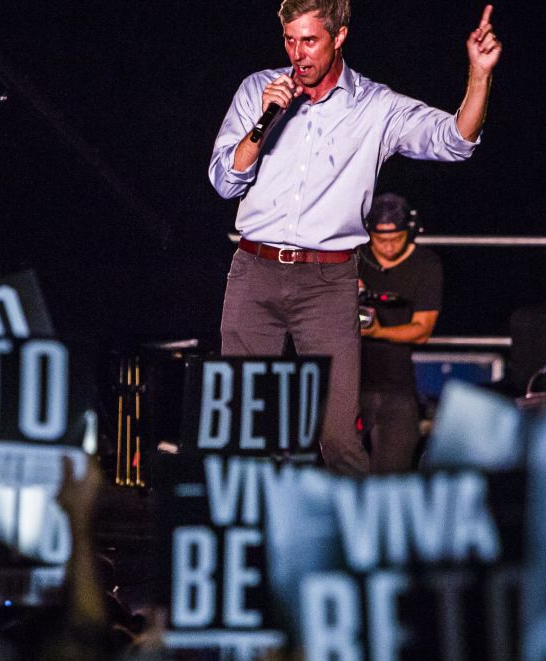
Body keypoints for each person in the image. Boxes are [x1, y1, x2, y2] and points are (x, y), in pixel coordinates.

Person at [208, 0, 502, 476]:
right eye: (289, 40)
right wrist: (264, 123)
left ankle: (352, 545)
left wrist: (479, 74)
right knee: (243, 426)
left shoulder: (375, 106)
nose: (297, 54)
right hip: (254, 272)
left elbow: (455, 141)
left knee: (338, 435)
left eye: (310, 40)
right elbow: (224, 182)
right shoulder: (257, 89)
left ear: (339, 36)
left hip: (327, 282)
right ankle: (245, 543)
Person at [357, 193, 441, 474]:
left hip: (397, 383)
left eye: (396, 237)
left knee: (394, 473)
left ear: (411, 231)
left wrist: (379, 330)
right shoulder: (352, 258)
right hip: (350, 378)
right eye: (381, 238)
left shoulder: (426, 264)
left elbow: (422, 330)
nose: (389, 245)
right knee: (339, 466)